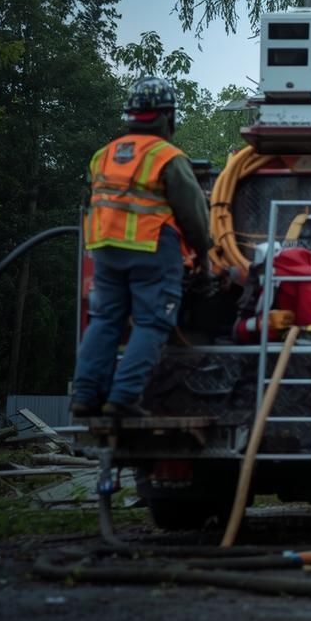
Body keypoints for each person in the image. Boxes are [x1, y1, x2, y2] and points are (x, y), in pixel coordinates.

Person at [70, 77, 212, 418]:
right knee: (152, 322)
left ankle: (85, 396)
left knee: (105, 320)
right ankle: (123, 397)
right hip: (150, 247)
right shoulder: (167, 157)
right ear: (168, 117)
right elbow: (193, 216)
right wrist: (204, 254)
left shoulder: (103, 156)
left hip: (103, 247)